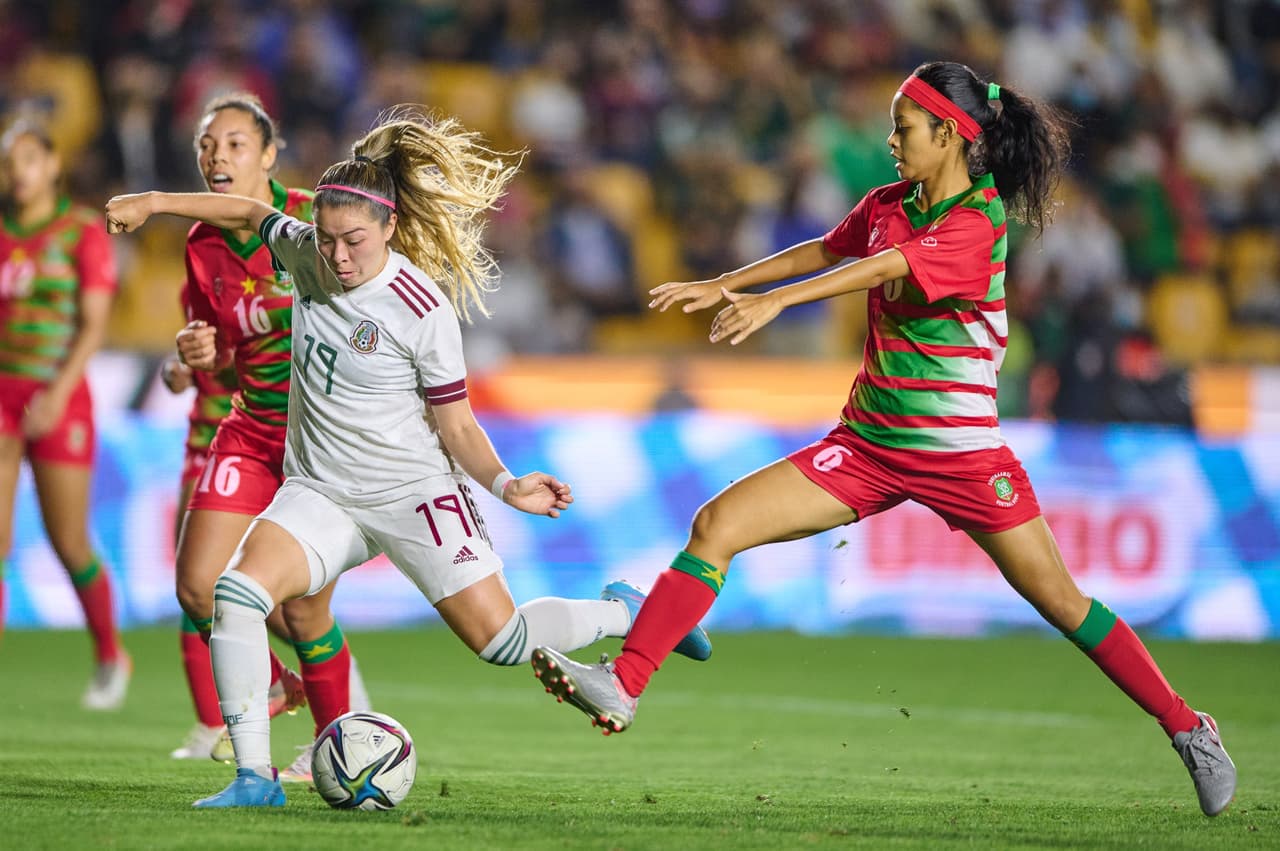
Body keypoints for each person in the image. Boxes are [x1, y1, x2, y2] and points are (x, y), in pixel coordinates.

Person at [527, 61, 1237, 819]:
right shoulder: (887, 204)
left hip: (962, 457)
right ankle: (625, 683)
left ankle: (1188, 727)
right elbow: (826, 249)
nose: (891, 141)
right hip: (867, 446)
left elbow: (882, 268)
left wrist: (775, 304)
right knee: (716, 525)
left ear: (950, 134)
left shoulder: (977, 223)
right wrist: (729, 284)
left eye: (903, 128)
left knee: (1063, 602)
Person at [104, 106, 711, 809]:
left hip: (412, 494)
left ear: (389, 227)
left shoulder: (421, 309)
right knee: (237, 594)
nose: (338, 257)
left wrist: (507, 484)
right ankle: (253, 779)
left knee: (502, 641)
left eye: (353, 241)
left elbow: (456, 425)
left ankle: (623, 611)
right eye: (326, 239)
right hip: (322, 493)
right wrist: (152, 202)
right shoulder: (302, 252)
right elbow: (245, 211)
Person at [159, 94, 368, 775]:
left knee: (304, 612)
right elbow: (222, 349)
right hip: (250, 426)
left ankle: (338, 746)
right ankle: (279, 685)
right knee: (198, 587)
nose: (216, 155)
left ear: (270, 155)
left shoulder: (313, 219)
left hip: (318, 440)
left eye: (234, 143)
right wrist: (201, 352)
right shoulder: (200, 244)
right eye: (206, 144)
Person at [0, 121, 129, 709]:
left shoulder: (80, 231)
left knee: (69, 541)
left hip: (60, 395)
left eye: (28, 158)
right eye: (8, 162)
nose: (17, 172)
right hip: (3, 396)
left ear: (53, 165)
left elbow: (94, 325)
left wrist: (56, 393)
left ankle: (110, 653)